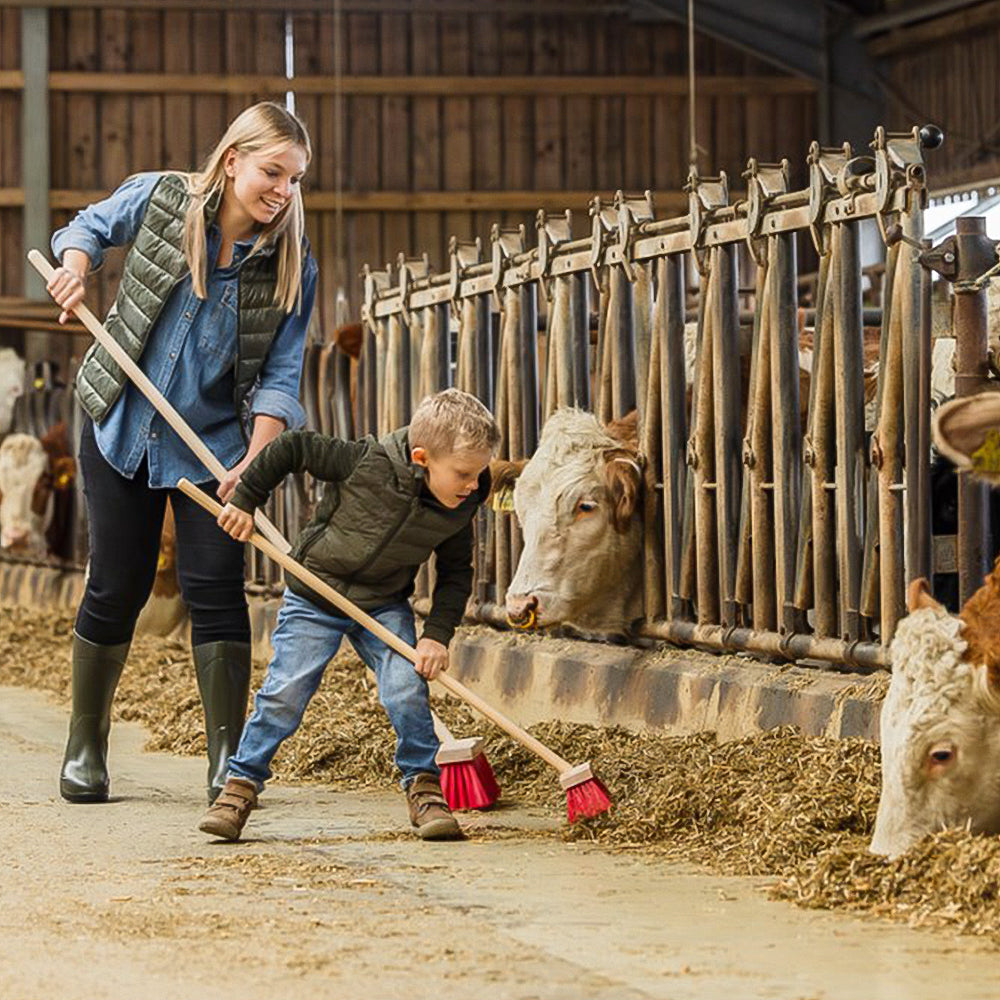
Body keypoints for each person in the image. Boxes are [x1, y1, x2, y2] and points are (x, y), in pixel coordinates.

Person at [46, 101, 318, 806]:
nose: (283, 192)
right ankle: (85, 745)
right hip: (121, 426)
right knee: (118, 584)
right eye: (272, 172)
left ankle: (227, 758)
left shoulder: (289, 263)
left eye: (294, 179)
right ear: (233, 161)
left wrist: (249, 469)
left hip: (215, 448)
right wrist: (74, 269)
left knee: (215, 589)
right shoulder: (163, 197)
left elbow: (282, 380)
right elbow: (86, 229)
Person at [197, 388, 499, 841]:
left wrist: (436, 635)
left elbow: (457, 573)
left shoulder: (463, 502)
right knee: (286, 691)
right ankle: (239, 786)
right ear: (421, 457)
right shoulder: (366, 461)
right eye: (463, 474)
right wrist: (246, 500)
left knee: (404, 690)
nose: (474, 485)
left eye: (478, 473)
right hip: (317, 594)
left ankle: (424, 787)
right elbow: (290, 447)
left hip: (383, 603)